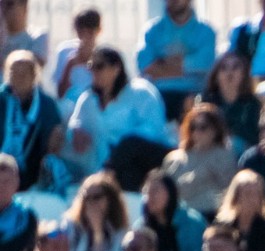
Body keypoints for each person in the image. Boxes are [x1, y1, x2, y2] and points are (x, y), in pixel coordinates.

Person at [66, 48, 170, 190]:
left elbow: (155, 129)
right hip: (109, 165)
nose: (94, 72)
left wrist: (121, 144)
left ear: (116, 69)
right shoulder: (88, 99)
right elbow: (76, 122)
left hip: (147, 159)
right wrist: (76, 131)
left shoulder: (141, 92)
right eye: (91, 67)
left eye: (100, 66)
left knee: (128, 146)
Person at [138, 0, 216, 118]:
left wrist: (162, 63)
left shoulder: (206, 31)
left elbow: (205, 64)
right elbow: (145, 66)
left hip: (194, 96)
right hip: (158, 98)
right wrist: (187, 65)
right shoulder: (152, 31)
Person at [0, 52, 64, 192]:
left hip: (32, 172)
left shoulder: (46, 104)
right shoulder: (2, 99)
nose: (19, 78)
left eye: (24, 73)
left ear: (35, 76)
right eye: (14, 73)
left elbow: (55, 137)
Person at [162, 103, 237, 218]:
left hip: (213, 215)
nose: (196, 132)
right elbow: (167, 192)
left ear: (215, 129)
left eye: (203, 127)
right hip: (180, 216)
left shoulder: (225, 155)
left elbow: (230, 189)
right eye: (193, 127)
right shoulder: (173, 158)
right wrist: (199, 175)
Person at [140, 170, 206, 251]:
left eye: (155, 191)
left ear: (170, 193)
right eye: (147, 192)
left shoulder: (192, 223)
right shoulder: (142, 226)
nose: (149, 197)